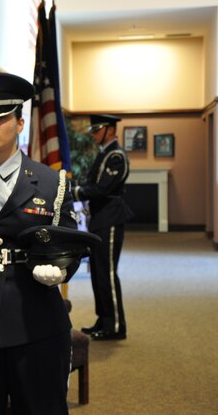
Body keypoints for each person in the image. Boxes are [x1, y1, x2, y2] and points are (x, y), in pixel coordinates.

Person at [0, 72, 80, 415]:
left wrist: (62, 270)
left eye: (1, 118)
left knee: (42, 406)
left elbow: (69, 242)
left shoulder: (48, 181)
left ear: (20, 122)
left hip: (35, 318)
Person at [74, 114, 132, 340]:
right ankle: (104, 319)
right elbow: (92, 184)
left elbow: (101, 189)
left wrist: (75, 191)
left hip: (110, 218)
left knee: (106, 273)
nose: (94, 134)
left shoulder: (115, 155)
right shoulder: (104, 153)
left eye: (97, 129)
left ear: (109, 129)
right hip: (99, 219)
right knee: (98, 273)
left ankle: (116, 325)